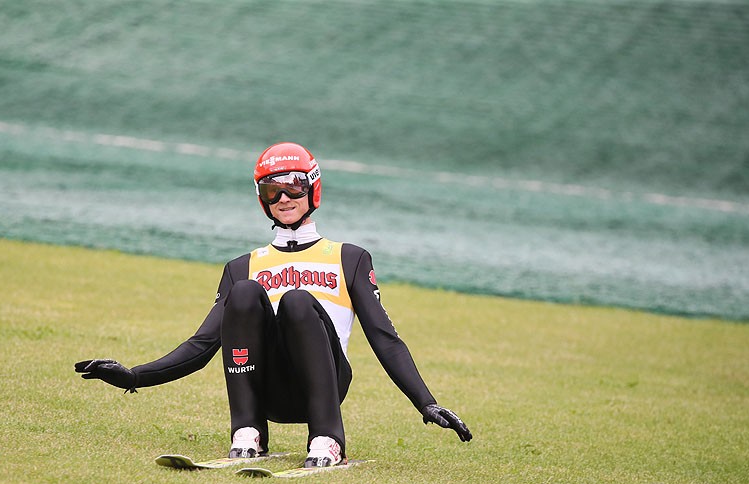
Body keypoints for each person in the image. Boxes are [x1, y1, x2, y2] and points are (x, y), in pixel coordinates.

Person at [75, 142, 472, 467]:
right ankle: (247, 431)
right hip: (266, 389)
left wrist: (426, 403)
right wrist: (134, 377)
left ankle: (327, 437)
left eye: (294, 186)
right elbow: (202, 344)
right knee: (246, 292)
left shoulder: (349, 258)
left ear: (312, 189)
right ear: (261, 198)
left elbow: (384, 338)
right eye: (271, 190)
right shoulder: (241, 267)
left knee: (297, 301)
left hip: (325, 385)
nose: (283, 198)